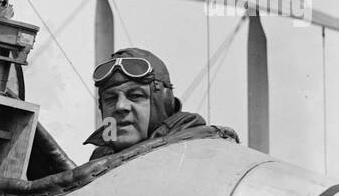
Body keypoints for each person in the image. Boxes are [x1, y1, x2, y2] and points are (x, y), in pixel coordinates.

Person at [82, 47, 237, 160]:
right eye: (110, 99)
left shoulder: (198, 154)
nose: (120, 106)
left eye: (135, 96)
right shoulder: (98, 162)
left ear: (164, 103)